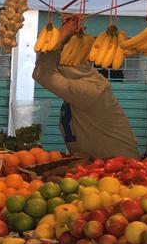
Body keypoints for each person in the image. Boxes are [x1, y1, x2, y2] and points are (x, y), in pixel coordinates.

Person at [33, 17, 139, 159]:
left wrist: (62, 34)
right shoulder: (82, 82)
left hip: (118, 169)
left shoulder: (90, 89)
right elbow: (45, 68)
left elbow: (43, 74)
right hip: (94, 167)